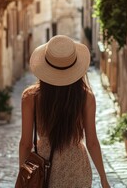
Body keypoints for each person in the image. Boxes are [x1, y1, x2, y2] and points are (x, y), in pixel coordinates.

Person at [19, 35, 110, 188]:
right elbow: (92, 142)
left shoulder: (30, 97)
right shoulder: (86, 97)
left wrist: (24, 176)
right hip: (77, 167)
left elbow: (25, 144)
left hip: (45, 165)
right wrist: (103, 179)